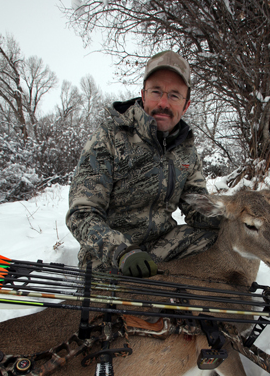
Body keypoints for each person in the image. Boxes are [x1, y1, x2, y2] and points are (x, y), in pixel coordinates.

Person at [66, 50, 221, 277]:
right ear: (143, 94)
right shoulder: (109, 137)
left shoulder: (187, 150)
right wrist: (122, 252)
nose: (163, 103)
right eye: (156, 91)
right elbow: (81, 213)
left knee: (223, 239)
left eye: (174, 95)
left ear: (186, 105)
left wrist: (245, 215)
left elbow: (198, 209)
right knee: (114, 304)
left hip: (162, 247)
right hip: (111, 254)